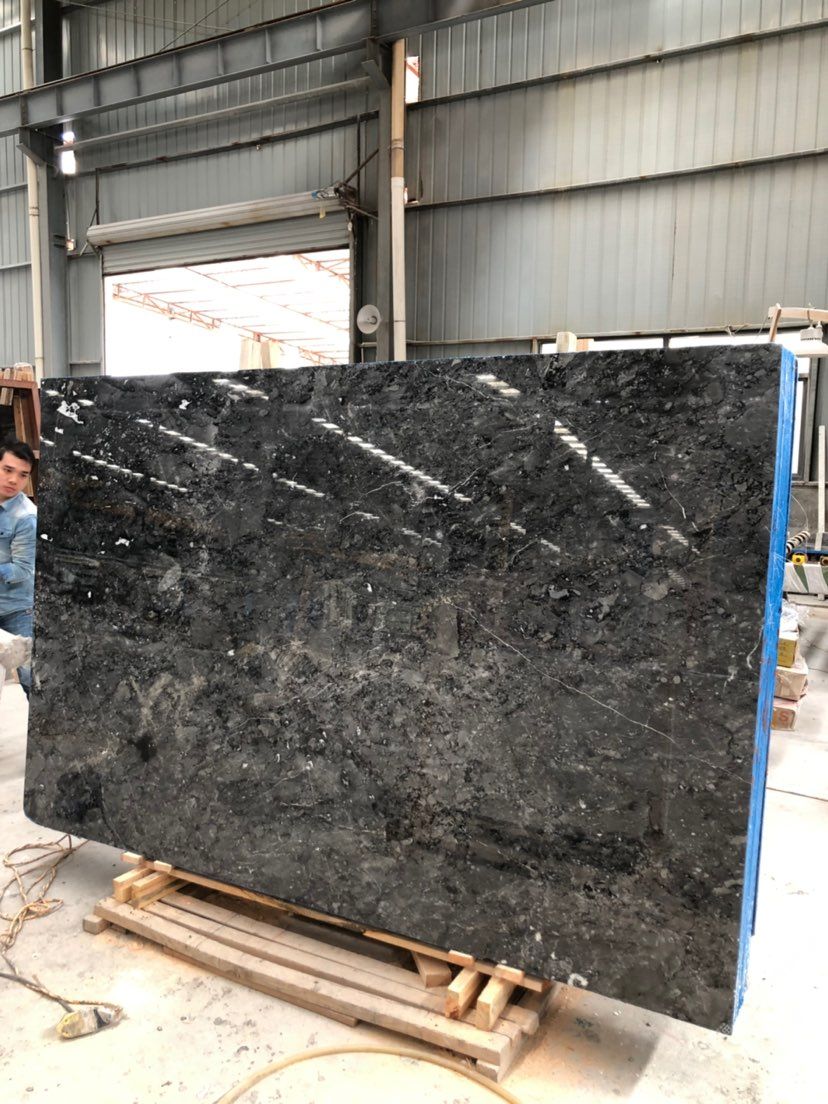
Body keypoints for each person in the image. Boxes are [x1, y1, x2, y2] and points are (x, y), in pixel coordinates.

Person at [0, 439, 36, 698]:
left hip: (16, 609)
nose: (14, 480)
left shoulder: (26, 517)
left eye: (23, 475)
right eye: (7, 470)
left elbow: (23, 569)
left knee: (29, 675)